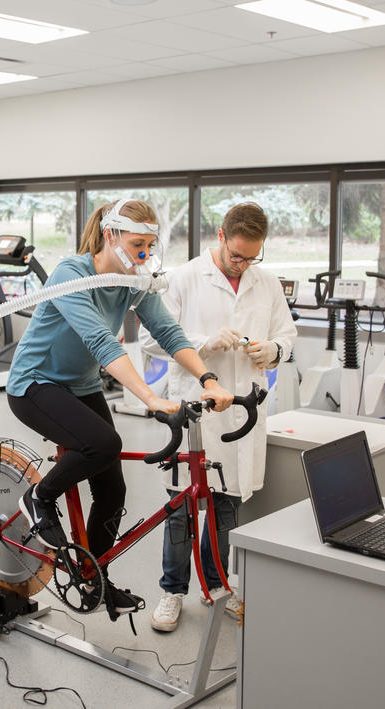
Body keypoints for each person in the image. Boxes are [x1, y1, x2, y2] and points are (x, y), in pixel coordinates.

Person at [9, 198, 235, 619]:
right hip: (34, 384)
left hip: (81, 386)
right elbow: (101, 340)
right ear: (110, 234)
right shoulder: (71, 274)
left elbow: (168, 331)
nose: (144, 254)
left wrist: (209, 379)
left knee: (113, 491)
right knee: (102, 443)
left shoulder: (134, 279)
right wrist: (149, 398)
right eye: (137, 244)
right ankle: (38, 497)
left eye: (150, 245)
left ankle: (93, 577)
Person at [139, 202, 296, 633]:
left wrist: (275, 350)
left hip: (242, 410)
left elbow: (287, 332)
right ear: (222, 236)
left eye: (252, 257)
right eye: (237, 255)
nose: (243, 264)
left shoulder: (265, 282)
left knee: (226, 506)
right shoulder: (183, 278)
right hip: (194, 408)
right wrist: (205, 342)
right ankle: (172, 591)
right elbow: (150, 340)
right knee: (180, 506)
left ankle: (218, 585)